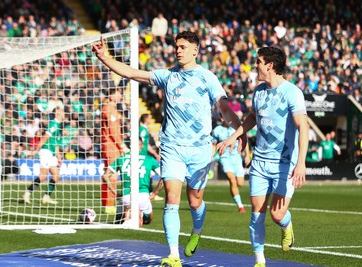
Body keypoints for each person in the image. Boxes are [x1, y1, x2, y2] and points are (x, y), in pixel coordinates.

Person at [92, 30, 245, 267]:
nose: (178, 50)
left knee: (194, 201)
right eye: (177, 46)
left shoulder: (208, 78)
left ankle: (196, 230)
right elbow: (132, 72)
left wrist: (238, 131)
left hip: (200, 149)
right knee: (171, 199)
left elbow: (224, 109)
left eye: (183, 47)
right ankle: (173, 255)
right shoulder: (167, 76)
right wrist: (105, 58)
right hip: (172, 147)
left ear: (195, 50)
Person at [216, 47, 308, 267]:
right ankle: (259, 260)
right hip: (259, 163)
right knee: (257, 214)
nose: (254, 65)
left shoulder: (292, 92)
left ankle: (287, 226)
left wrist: (301, 163)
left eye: (258, 62)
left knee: (277, 215)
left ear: (270, 65)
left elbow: (302, 128)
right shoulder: (258, 91)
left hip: (285, 164)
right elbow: (252, 118)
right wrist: (235, 135)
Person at [102, 138, 162, 226]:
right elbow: (164, 177)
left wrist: (115, 193)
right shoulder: (149, 159)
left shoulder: (121, 158)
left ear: (130, 146)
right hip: (143, 196)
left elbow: (105, 176)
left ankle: (123, 215)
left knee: (119, 216)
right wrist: (155, 193)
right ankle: (140, 214)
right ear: (141, 146)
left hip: (126, 197)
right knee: (148, 220)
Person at [22, 107, 65, 205]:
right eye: (61, 111)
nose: (63, 113)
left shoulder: (58, 126)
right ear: (57, 114)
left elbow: (56, 144)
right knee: (43, 176)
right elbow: (44, 138)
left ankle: (46, 197)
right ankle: (27, 193)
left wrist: (59, 156)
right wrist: (36, 151)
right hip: (46, 152)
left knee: (56, 175)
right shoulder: (53, 124)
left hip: (52, 153)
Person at [212, 115, 250, 213]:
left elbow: (244, 140)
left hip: (236, 157)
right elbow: (214, 145)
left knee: (240, 183)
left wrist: (247, 156)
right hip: (225, 157)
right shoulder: (217, 130)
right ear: (221, 118)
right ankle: (240, 206)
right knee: (232, 180)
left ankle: (238, 201)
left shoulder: (236, 128)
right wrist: (210, 157)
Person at [101, 88, 128, 214]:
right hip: (111, 145)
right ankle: (109, 204)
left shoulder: (112, 109)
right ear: (111, 96)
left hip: (112, 145)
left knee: (110, 173)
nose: (120, 97)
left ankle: (107, 203)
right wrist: (121, 144)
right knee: (112, 174)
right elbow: (112, 130)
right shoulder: (109, 109)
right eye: (118, 95)